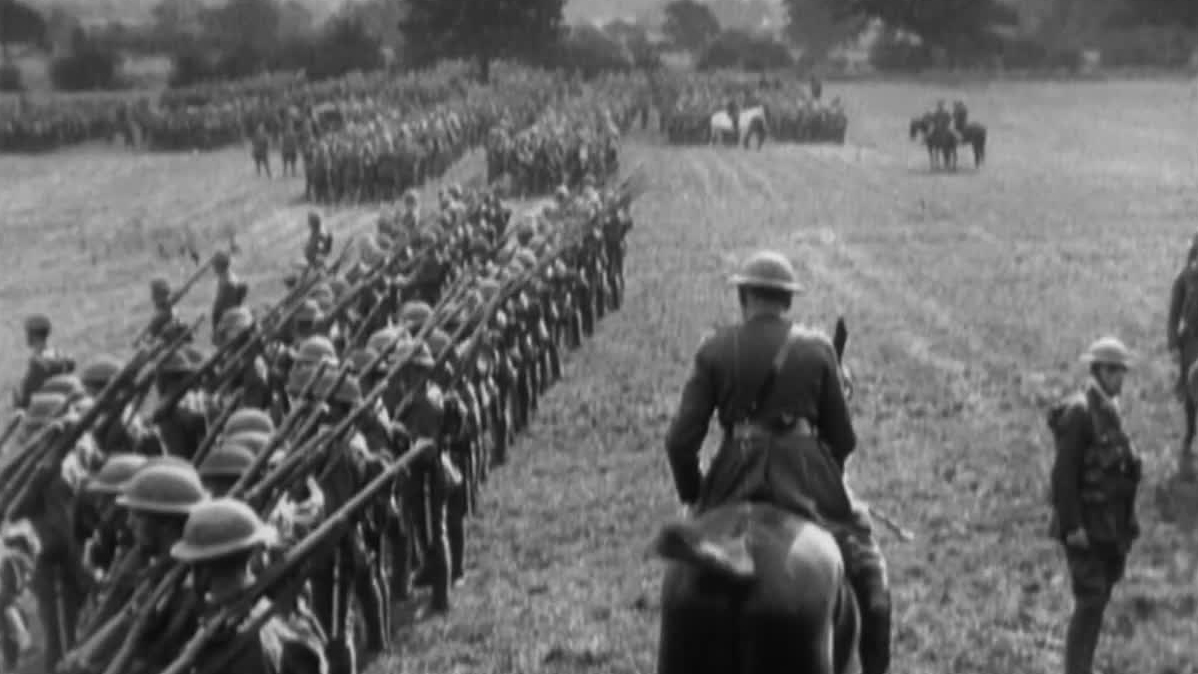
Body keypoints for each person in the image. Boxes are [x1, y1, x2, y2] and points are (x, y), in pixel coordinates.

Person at [662, 250, 890, 674]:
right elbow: (843, 439)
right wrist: (828, 474)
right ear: (787, 300)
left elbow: (679, 442)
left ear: (743, 297)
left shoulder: (715, 348)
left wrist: (696, 495)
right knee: (868, 566)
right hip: (805, 475)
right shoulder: (817, 348)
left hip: (731, 475)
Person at [1047, 337, 1141, 674]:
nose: (1120, 378)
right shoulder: (1081, 413)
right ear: (1099, 370)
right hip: (1085, 527)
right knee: (1090, 601)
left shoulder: (1109, 410)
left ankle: (1082, 666)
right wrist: (1073, 526)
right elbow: (1064, 476)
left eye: (1122, 371)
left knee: (1097, 601)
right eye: (1115, 371)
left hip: (1107, 526)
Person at [12, 314, 75, 410]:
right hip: (64, 404)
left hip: (45, 410)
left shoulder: (38, 363)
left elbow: (26, 398)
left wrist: (17, 396)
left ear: (31, 336)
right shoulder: (61, 356)